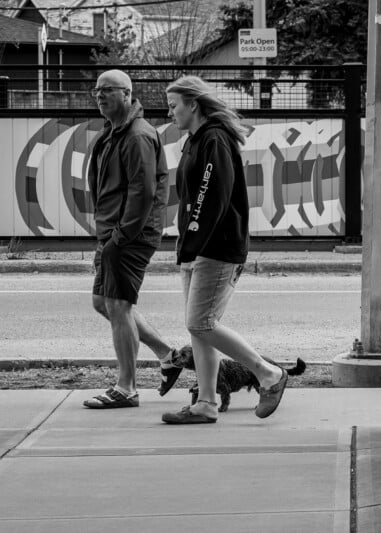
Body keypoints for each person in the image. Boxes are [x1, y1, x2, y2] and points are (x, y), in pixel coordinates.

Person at [161, 75, 288, 424]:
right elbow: (192, 198)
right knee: (198, 328)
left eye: (173, 106)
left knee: (201, 323)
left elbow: (210, 196)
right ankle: (205, 403)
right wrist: (186, 243)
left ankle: (268, 374)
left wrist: (193, 240)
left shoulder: (214, 139)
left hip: (216, 248)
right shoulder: (195, 140)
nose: (170, 112)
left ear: (193, 104)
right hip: (196, 247)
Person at [83, 69, 184, 409]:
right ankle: (167, 355)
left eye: (108, 90)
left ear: (127, 94)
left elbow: (143, 191)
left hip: (128, 234)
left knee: (119, 305)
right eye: (97, 90)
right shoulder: (114, 131)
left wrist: (121, 235)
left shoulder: (137, 135)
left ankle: (126, 387)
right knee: (103, 302)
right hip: (114, 231)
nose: (100, 95)